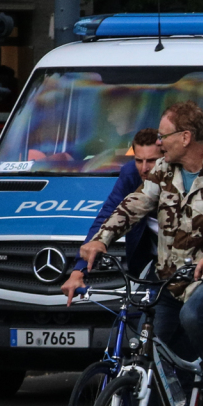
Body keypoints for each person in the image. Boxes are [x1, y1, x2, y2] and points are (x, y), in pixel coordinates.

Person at [78, 100, 203, 406]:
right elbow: (134, 205)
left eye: (164, 135)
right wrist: (102, 239)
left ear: (186, 137)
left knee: (194, 316)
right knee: (154, 356)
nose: (160, 142)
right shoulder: (162, 170)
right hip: (171, 280)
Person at [61, 128, 162, 305]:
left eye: (151, 161)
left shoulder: (182, 177)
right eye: (139, 160)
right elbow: (107, 216)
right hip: (152, 262)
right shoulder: (131, 174)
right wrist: (79, 270)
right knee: (143, 324)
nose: (144, 168)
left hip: (189, 260)